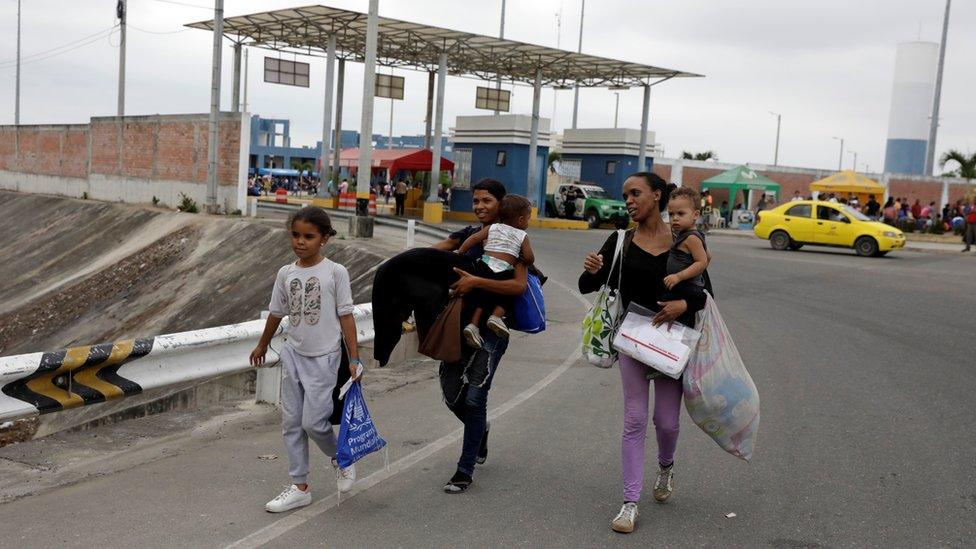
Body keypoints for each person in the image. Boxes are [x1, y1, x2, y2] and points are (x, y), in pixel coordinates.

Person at [578, 172, 709, 534]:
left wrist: (682, 303)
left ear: (657, 195)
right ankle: (630, 502)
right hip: (633, 339)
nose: (629, 200)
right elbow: (588, 285)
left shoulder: (684, 239)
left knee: (666, 422)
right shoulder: (620, 239)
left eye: (636, 193)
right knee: (635, 419)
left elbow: (704, 293)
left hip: (671, 342)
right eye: (625, 195)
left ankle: (666, 466)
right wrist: (592, 270)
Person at [249, 207, 362, 513]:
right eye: (296, 235)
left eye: (309, 236)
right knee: (291, 423)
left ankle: (342, 458)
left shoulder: (336, 272)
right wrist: (262, 344)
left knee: (314, 422)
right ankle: (300, 486)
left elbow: (346, 316)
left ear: (324, 238)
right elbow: (276, 312)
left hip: (324, 358)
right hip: (293, 355)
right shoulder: (286, 273)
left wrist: (355, 358)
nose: (300, 242)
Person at [430, 178, 530, 494]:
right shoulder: (471, 235)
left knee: (475, 398)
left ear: (502, 204)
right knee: (450, 394)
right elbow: (443, 250)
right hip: (459, 325)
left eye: (487, 200)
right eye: (476, 201)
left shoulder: (514, 239)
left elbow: (518, 286)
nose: (480, 206)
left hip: (493, 330)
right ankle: (480, 429)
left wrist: (476, 282)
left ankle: (464, 469)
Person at [457, 195, 535, 349]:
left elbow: (473, 239)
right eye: (528, 218)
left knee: (482, 295)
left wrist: (460, 252)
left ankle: (473, 325)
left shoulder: (492, 227)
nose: (528, 222)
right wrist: (528, 260)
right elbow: (528, 257)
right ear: (520, 220)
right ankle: (496, 316)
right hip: (504, 269)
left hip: (484, 265)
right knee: (509, 293)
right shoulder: (522, 235)